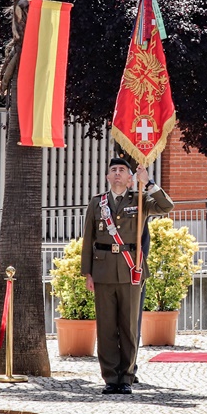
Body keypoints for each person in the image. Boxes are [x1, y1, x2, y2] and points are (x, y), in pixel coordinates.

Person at [81, 158, 174, 395]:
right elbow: (88, 240)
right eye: (113, 170)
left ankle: (127, 377)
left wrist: (149, 183)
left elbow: (166, 207)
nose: (118, 174)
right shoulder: (97, 203)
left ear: (130, 178)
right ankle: (111, 378)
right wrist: (87, 273)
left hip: (131, 270)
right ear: (107, 177)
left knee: (129, 326)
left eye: (122, 170)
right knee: (106, 327)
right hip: (102, 271)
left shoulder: (140, 200)